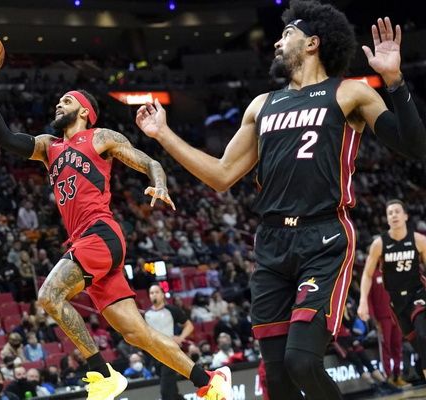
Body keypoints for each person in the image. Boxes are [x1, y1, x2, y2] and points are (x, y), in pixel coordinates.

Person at [137, 0, 426, 395]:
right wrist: (162, 134)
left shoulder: (349, 93)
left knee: (301, 362)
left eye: (287, 34)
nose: (276, 42)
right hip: (272, 243)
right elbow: (221, 176)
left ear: (312, 43)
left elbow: (414, 146)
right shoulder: (262, 105)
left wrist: (394, 81)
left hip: (323, 237)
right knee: (276, 377)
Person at [0, 54, 231, 400]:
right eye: (59, 101)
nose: (59, 104)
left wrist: (160, 184)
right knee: (138, 334)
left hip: (99, 233)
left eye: (67, 100)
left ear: (84, 111)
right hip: (89, 244)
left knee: (49, 296)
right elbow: (7, 139)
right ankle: (208, 380)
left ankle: (103, 374)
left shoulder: (100, 137)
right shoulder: (48, 146)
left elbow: (150, 162)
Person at [358, 199, 426, 381]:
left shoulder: (419, 240)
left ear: (406, 216)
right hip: (397, 303)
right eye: (390, 213)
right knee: (420, 347)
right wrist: (363, 301)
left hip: (418, 295)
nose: (394, 215)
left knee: (424, 336)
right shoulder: (379, 244)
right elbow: (367, 275)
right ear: (387, 219)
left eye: (397, 211)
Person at [144, 284, 194, 400]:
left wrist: (180, 338)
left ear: (162, 295)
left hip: (170, 353)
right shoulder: (146, 314)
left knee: (165, 392)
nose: (154, 295)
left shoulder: (171, 310)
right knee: (172, 392)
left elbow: (189, 326)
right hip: (155, 355)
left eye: (157, 292)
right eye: (151, 293)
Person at [364, 257, 406, 387]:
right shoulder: (371, 275)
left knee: (397, 346)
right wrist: (374, 319)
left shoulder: (393, 273)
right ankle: (388, 377)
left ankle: (398, 376)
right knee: (385, 347)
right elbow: (369, 299)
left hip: (396, 316)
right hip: (382, 319)